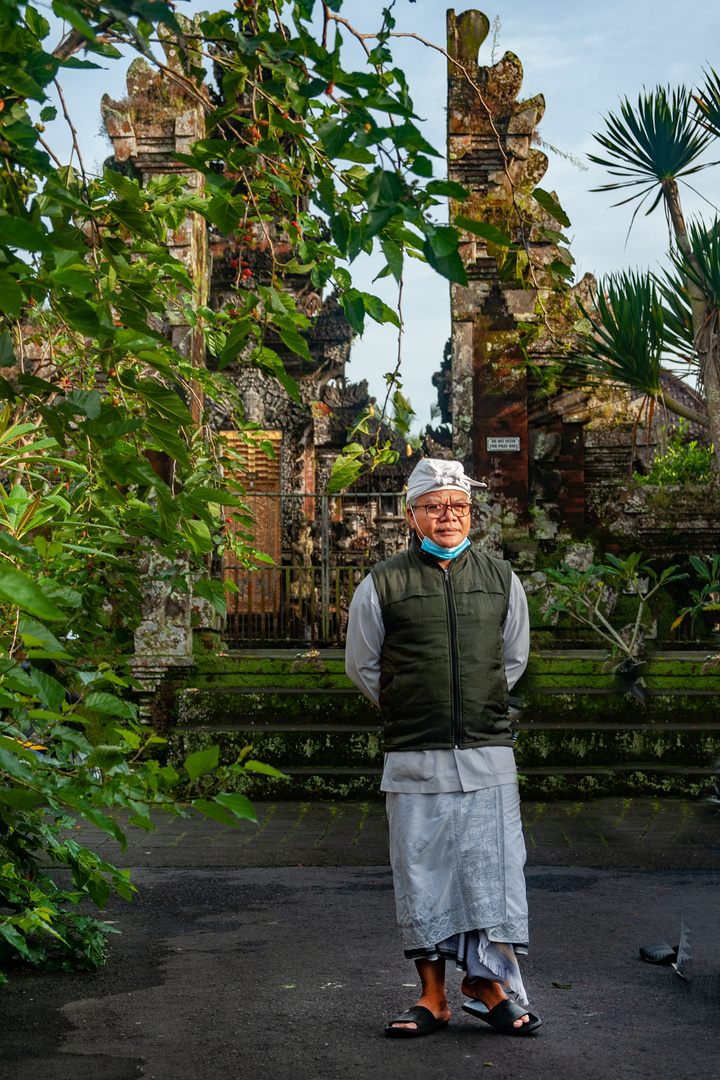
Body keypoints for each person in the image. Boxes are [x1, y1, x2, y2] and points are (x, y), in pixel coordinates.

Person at [345, 458, 541, 1038]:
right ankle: (432, 996)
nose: (446, 516)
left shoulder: (501, 578)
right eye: (433, 507)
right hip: (415, 752)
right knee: (422, 869)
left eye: (457, 506)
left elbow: (513, 659)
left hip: (486, 750)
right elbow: (363, 665)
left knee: (492, 871)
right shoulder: (383, 581)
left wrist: (473, 705)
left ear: (471, 515)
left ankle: (488, 984)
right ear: (412, 516)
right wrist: (415, 705)